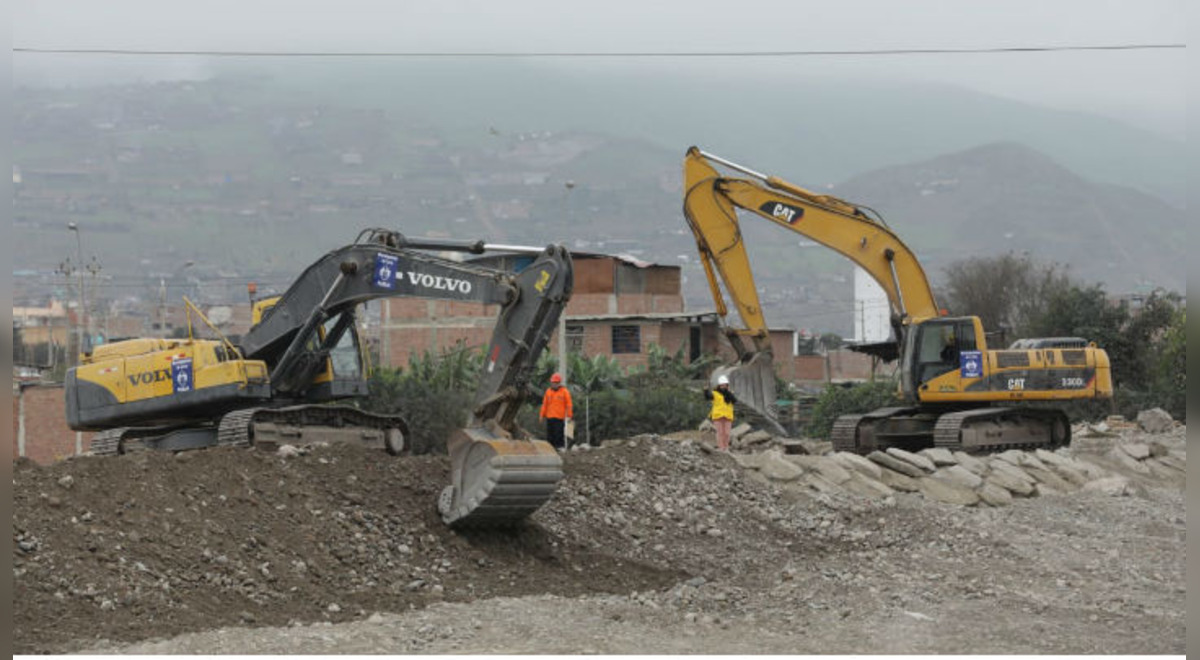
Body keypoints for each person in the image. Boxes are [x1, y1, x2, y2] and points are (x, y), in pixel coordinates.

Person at [704, 374, 738, 451]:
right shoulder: (715, 393)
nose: (723, 387)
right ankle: (721, 448)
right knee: (720, 433)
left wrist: (729, 393)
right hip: (718, 415)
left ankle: (726, 447)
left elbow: (734, 401)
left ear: (727, 385)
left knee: (727, 433)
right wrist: (706, 390)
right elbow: (708, 396)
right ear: (719, 385)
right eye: (721, 385)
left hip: (728, 416)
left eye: (724, 385)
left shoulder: (730, 394)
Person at [539, 373, 573, 450]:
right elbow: (545, 404)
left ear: (559, 383)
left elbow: (569, 404)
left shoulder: (565, 392)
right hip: (550, 417)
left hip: (559, 418)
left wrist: (569, 415)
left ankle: (560, 447)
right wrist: (541, 415)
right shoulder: (548, 392)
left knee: (559, 434)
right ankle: (550, 448)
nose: (554, 384)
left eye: (555, 383)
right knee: (550, 435)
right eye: (553, 382)